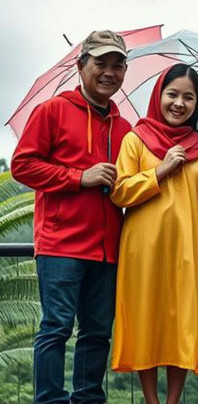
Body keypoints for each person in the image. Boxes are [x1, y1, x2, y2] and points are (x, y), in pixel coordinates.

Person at [11, 30, 131, 404]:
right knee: (56, 328)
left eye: (118, 65)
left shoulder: (126, 128)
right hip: (60, 245)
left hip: (108, 248)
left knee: (97, 333)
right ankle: (48, 400)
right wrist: (80, 177)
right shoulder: (51, 111)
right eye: (101, 63)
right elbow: (22, 166)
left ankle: (88, 399)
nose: (110, 72)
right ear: (81, 66)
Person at [109, 64, 198, 404]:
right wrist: (160, 170)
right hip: (143, 250)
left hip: (189, 248)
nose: (179, 103)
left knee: (182, 324)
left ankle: (172, 400)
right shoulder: (135, 139)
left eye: (189, 97)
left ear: (196, 104)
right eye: (172, 94)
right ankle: (151, 400)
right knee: (146, 319)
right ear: (158, 96)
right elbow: (119, 192)